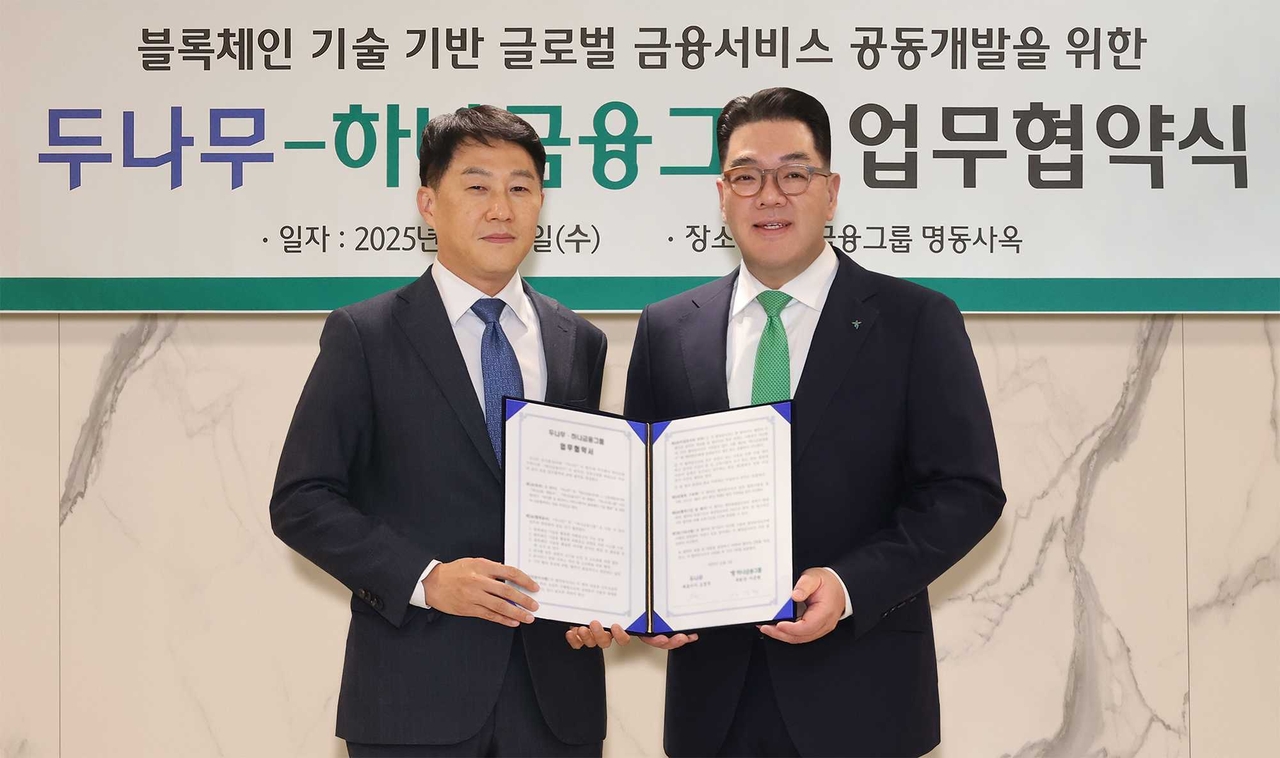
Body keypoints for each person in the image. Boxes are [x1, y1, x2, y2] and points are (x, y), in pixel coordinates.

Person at [615, 87, 1005, 757]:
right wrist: (640, 595)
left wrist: (851, 585)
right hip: (713, 703)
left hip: (862, 695)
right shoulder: (667, 329)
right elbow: (641, 495)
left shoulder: (914, 321)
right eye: (746, 177)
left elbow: (966, 492)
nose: (769, 196)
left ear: (830, 191)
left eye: (793, 174)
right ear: (721, 195)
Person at [270, 105, 609, 757]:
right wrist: (425, 579)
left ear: (541, 203)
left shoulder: (579, 341)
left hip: (556, 702)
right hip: (413, 698)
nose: (501, 208)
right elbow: (301, 500)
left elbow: (585, 501)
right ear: (429, 203)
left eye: (520, 187)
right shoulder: (365, 335)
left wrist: (608, 594)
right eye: (477, 186)